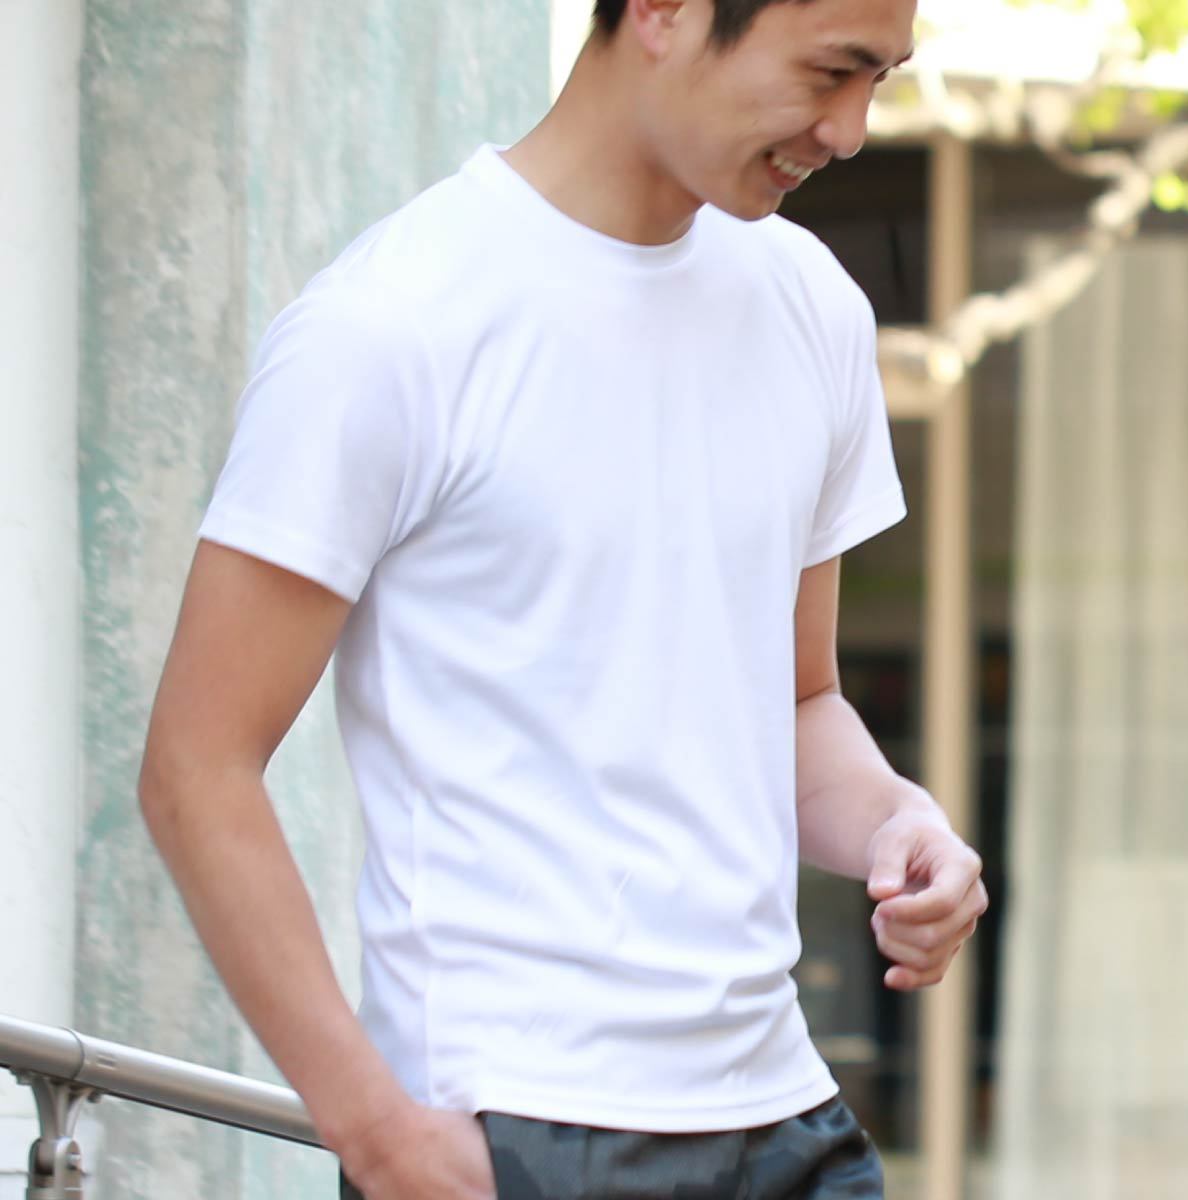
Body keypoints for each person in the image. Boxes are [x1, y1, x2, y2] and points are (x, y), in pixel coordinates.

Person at [139, 1, 988, 1197]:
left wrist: (900, 822)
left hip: (787, 1121)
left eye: (880, 81)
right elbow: (196, 767)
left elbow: (796, 705)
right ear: (663, 11)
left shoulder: (813, 306)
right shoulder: (392, 324)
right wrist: (376, 1134)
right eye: (830, 73)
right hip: (518, 1127)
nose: (850, 131)